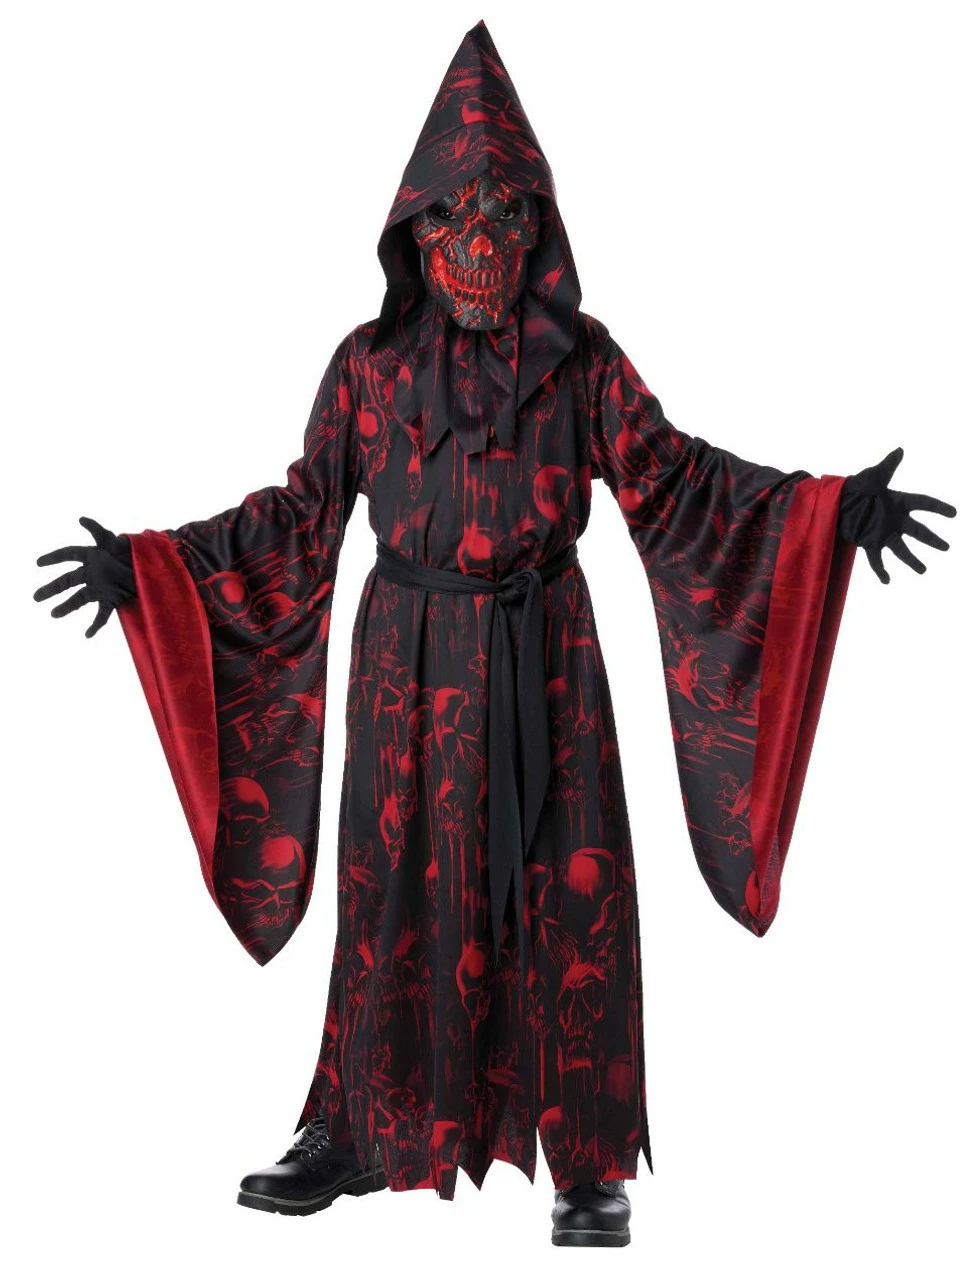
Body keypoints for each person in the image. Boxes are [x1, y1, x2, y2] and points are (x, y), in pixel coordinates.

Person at [33, 20, 955, 1249]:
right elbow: (300, 516)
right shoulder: (364, 368)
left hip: (547, 658)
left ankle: (588, 1158)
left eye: (503, 212)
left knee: (568, 887)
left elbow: (679, 485)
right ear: (413, 227)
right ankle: (355, 1125)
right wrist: (157, 570)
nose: (477, 241)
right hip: (404, 665)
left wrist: (825, 514)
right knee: (388, 888)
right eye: (454, 213)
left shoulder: (581, 360)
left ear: (536, 224)